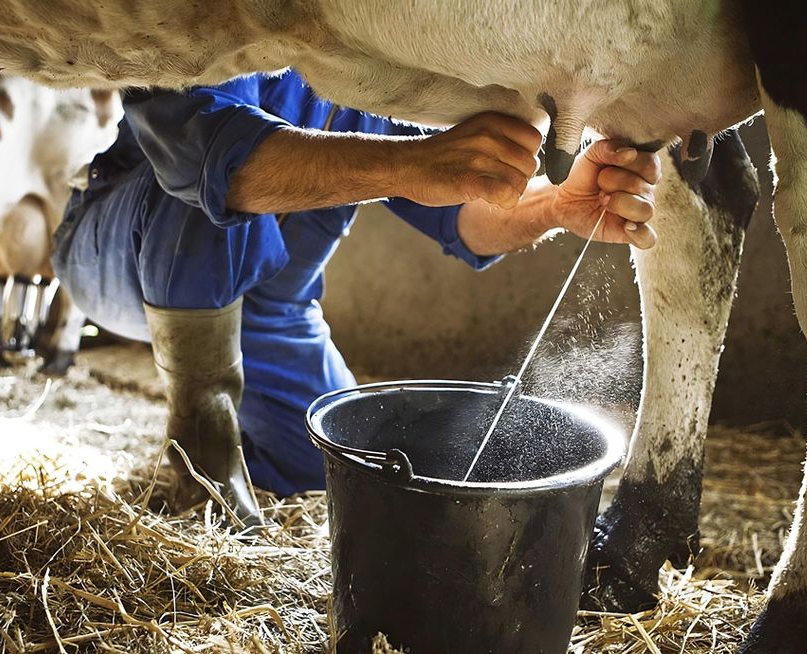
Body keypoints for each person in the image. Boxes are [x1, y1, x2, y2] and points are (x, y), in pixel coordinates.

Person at [52, 70, 661, 523]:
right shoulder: (223, 26)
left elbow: (464, 216)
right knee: (208, 189)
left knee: (336, 466)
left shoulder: (371, 70)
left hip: (271, 314)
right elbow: (212, 160)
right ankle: (201, 459)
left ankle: (249, 444)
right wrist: (413, 164)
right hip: (117, 249)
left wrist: (555, 204)